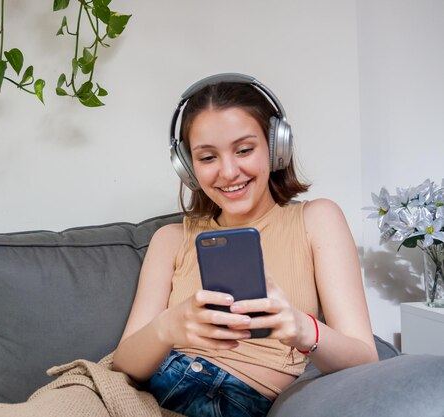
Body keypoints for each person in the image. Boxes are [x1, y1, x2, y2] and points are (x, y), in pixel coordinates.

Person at [111, 73, 378, 417]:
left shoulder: (317, 220)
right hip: (156, 392)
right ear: (188, 167)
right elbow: (124, 364)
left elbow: (364, 357)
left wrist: (301, 328)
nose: (228, 171)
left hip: (239, 401)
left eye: (244, 150)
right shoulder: (171, 239)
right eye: (207, 157)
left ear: (276, 146)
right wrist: (170, 325)